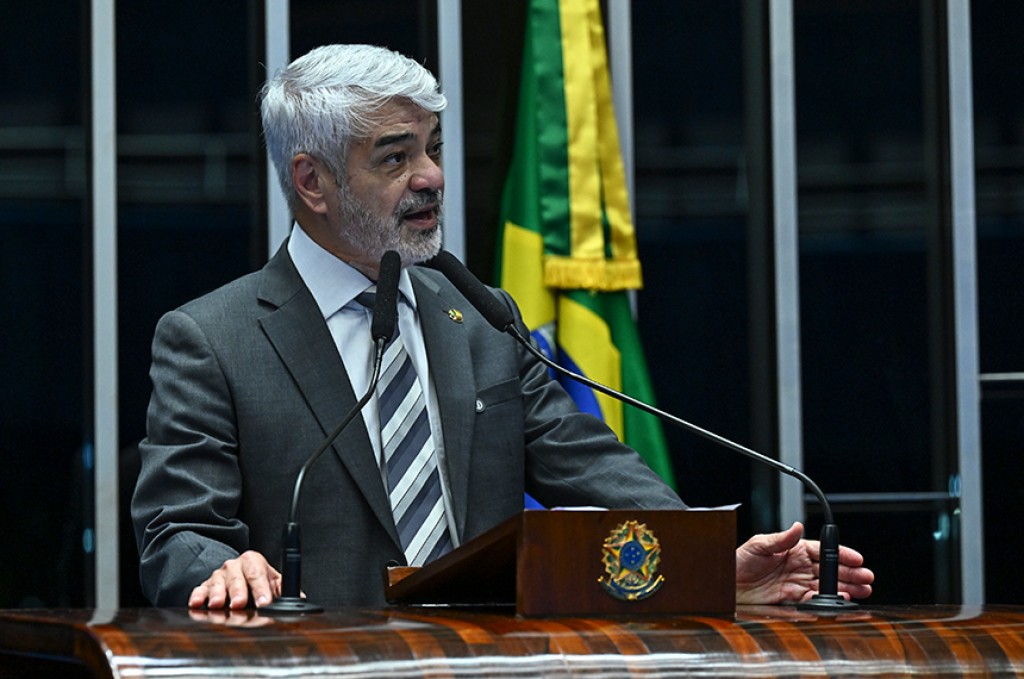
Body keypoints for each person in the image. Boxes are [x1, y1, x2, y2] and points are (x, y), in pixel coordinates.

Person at [132, 44, 873, 610]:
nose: (431, 176)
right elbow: (176, 533)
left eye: (433, 147)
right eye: (396, 156)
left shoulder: (481, 317)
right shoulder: (213, 339)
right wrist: (221, 569)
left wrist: (706, 566)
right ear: (312, 181)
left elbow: (592, 468)